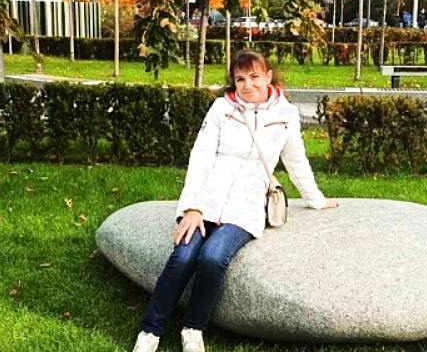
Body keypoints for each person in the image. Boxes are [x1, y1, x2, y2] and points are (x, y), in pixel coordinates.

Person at [132, 50, 338, 352]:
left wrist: (316, 199)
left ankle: (193, 329)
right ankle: (150, 330)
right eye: (240, 79)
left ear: (268, 76)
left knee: (213, 257)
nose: (247, 85)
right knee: (183, 256)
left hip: (246, 206)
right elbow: (201, 158)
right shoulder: (221, 108)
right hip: (207, 199)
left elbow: (296, 161)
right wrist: (192, 207)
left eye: (254, 77)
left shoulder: (286, 114)